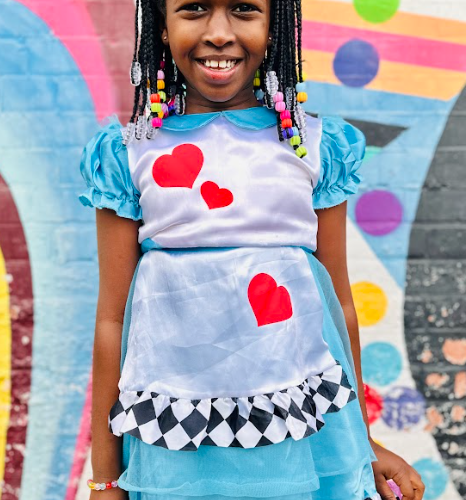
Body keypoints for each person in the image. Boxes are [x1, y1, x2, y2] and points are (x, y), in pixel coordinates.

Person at [78, 1, 426, 499]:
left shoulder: (314, 146)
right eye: (194, 9)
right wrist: (105, 478)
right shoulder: (128, 154)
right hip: (177, 448)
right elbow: (112, 321)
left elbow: (340, 310)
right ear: (161, 26)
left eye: (244, 9)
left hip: (301, 439)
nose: (219, 33)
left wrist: (363, 444)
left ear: (274, 25)